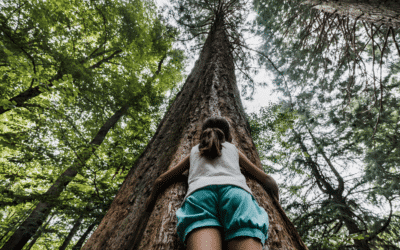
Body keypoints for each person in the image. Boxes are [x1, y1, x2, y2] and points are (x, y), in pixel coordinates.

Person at [145, 117, 279, 250]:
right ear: (228, 136)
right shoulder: (233, 149)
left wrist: (150, 202)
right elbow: (268, 180)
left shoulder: (194, 151)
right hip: (236, 195)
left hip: (200, 196)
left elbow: (161, 180)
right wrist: (277, 202)